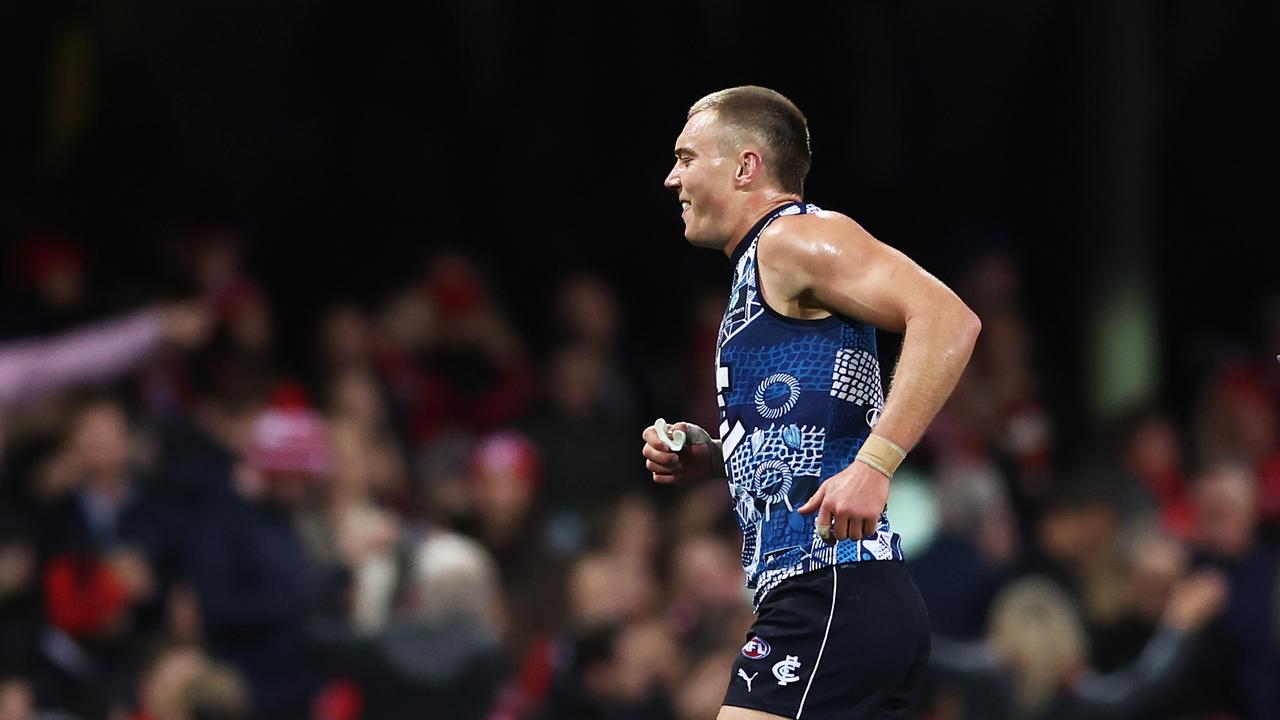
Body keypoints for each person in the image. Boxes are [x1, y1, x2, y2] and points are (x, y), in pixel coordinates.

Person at [642, 86, 981, 720]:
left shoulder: (791, 238)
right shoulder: (764, 269)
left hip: (830, 588)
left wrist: (876, 465)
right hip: (845, 598)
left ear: (746, 166)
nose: (672, 178)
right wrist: (719, 455)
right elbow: (807, 433)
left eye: (687, 158)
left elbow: (948, 319)